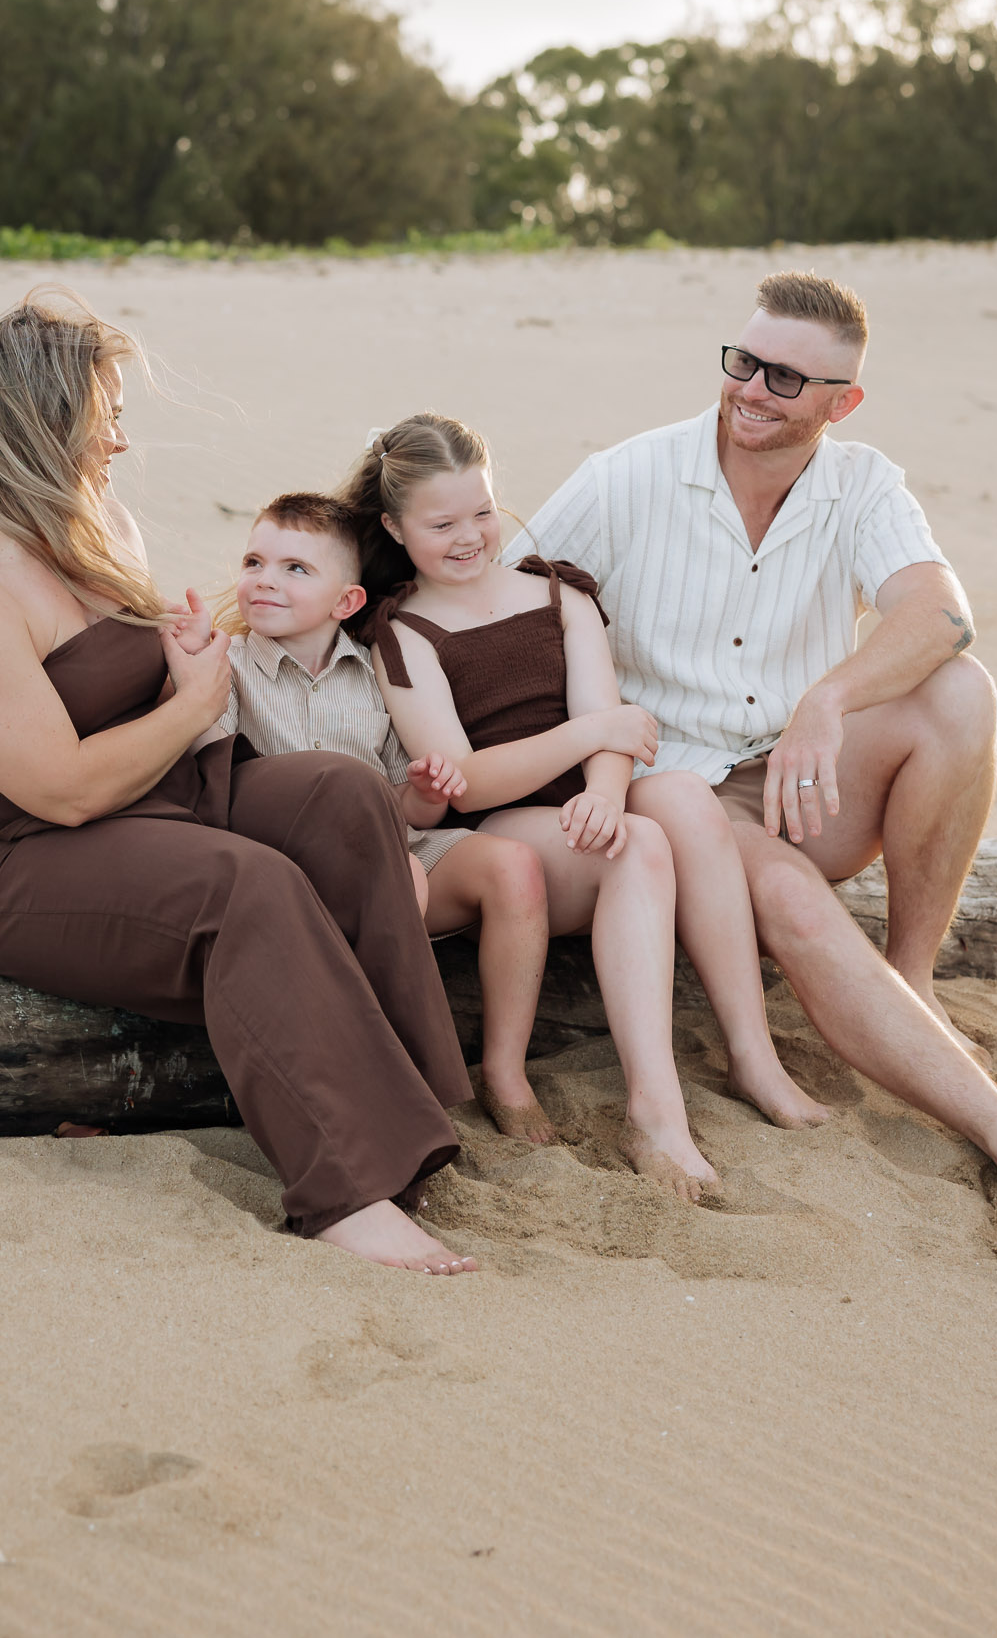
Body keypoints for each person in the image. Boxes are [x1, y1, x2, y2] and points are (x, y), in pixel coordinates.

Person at [504, 267, 997, 1232]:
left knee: (959, 692)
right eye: (743, 362)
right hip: (674, 783)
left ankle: (911, 981)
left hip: (798, 774)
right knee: (787, 895)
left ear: (842, 402)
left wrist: (830, 698)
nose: (751, 390)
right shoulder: (627, 477)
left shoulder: (861, 482)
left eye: (785, 379)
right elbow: (504, 610)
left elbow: (942, 615)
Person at [0, 287, 478, 1275]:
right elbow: (64, 789)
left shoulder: (95, 521)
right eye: (107, 412)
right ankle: (344, 1186)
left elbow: (134, 690)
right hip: (31, 860)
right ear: (46, 419)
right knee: (243, 886)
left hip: (161, 795)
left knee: (340, 798)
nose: (120, 440)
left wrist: (181, 659)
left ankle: (419, 1104)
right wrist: (194, 696)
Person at [342, 413, 830, 1209]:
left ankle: (752, 1054)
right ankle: (654, 1111)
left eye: (481, 512)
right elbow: (462, 781)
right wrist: (591, 741)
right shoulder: (405, 633)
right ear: (394, 528)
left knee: (671, 794)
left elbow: (612, 726)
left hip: (585, 806)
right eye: (441, 524)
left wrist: (604, 790)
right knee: (635, 844)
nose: (469, 537)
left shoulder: (558, 592)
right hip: (503, 830)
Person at [204, 493, 558, 1143]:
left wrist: (427, 789)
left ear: (346, 602)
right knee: (402, 881)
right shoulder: (225, 667)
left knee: (513, 867)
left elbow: (409, 806)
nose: (264, 579)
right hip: (299, 867)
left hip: (399, 848)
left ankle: (504, 1073)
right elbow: (210, 785)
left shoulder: (376, 672)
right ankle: (389, 1076)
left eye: (294, 569)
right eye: (254, 560)